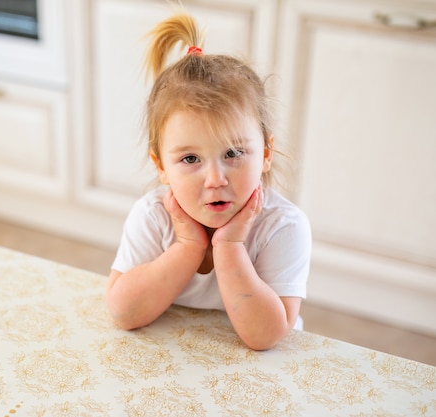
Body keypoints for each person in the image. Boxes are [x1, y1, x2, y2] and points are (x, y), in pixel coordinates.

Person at [105, 13, 311, 351]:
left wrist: (229, 247)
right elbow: (123, 313)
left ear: (266, 153)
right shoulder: (153, 216)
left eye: (233, 153)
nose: (215, 179)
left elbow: (265, 337)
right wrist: (188, 246)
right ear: (160, 166)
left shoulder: (283, 226)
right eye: (190, 159)